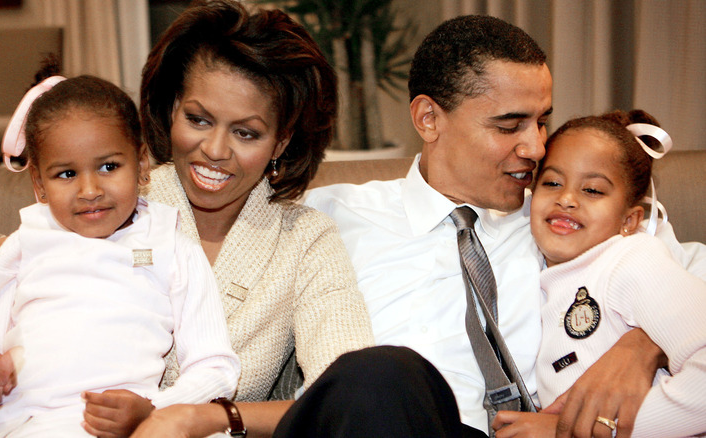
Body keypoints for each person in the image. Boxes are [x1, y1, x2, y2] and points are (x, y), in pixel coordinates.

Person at [0, 1, 374, 436]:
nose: (215, 150)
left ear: (280, 142)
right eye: (198, 119)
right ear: (171, 109)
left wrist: (204, 416)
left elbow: (347, 397)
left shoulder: (304, 241)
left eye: (246, 132)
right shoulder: (106, 197)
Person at [301, 15, 706, 438]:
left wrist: (645, 343)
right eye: (509, 125)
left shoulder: (568, 221)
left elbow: (686, 284)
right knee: (381, 373)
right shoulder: (332, 216)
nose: (536, 148)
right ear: (428, 119)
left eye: (541, 121)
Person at [0, 69, 241, 437]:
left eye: (109, 167)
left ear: (141, 164)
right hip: (21, 423)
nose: (89, 190)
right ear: (39, 184)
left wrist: (154, 410)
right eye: (66, 174)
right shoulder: (24, 242)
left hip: (125, 426)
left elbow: (216, 367)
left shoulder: (171, 245)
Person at [492, 110, 706, 438]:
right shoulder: (533, 281)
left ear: (630, 220)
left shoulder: (632, 258)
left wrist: (585, 430)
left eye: (592, 190)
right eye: (551, 183)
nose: (566, 198)